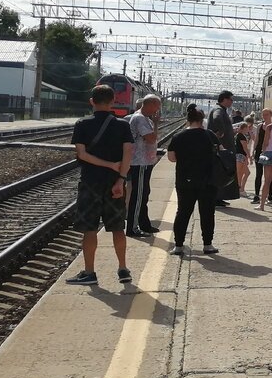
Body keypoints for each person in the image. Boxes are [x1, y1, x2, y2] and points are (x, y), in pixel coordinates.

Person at [66, 84, 135, 286]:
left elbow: (82, 154)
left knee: (90, 228)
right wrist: (120, 179)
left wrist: (107, 164)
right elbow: (128, 152)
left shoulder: (82, 124)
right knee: (117, 227)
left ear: (91, 102)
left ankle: (89, 273)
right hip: (115, 183)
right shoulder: (122, 125)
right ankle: (123, 269)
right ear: (113, 101)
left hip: (90, 182)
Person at [166, 105, 221, 256]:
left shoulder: (179, 136)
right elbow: (219, 153)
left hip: (185, 180)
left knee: (183, 212)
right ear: (202, 120)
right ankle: (208, 245)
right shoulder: (210, 135)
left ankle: (178, 246)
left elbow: (171, 158)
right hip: (208, 181)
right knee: (207, 213)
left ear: (188, 120)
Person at [125, 93, 162, 237]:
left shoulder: (145, 118)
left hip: (144, 162)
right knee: (138, 195)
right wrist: (157, 123)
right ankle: (133, 228)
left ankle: (144, 224)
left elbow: (152, 138)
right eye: (157, 106)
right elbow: (152, 139)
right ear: (151, 104)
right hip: (139, 163)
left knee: (144, 193)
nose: (157, 110)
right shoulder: (140, 118)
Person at [207, 90, 235, 206]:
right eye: (231, 99)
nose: (232, 102)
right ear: (224, 99)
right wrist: (222, 132)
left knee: (221, 174)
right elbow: (217, 118)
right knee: (221, 173)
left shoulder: (220, 109)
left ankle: (219, 197)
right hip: (221, 149)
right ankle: (216, 198)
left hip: (222, 148)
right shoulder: (218, 110)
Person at [250, 107, 272, 205]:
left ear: (271, 115)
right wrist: (253, 151)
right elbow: (257, 139)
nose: (264, 116)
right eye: (263, 114)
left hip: (269, 152)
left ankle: (270, 196)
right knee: (258, 174)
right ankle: (256, 196)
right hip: (260, 151)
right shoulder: (260, 126)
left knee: (269, 175)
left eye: (266, 114)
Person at [235, 116, 254, 196]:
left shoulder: (238, 135)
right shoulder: (241, 136)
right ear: (243, 128)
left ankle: (240, 188)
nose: (248, 130)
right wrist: (249, 157)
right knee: (242, 173)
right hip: (241, 156)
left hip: (239, 156)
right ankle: (240, 189)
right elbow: (245, 148)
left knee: (243, 173)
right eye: (247, 128)